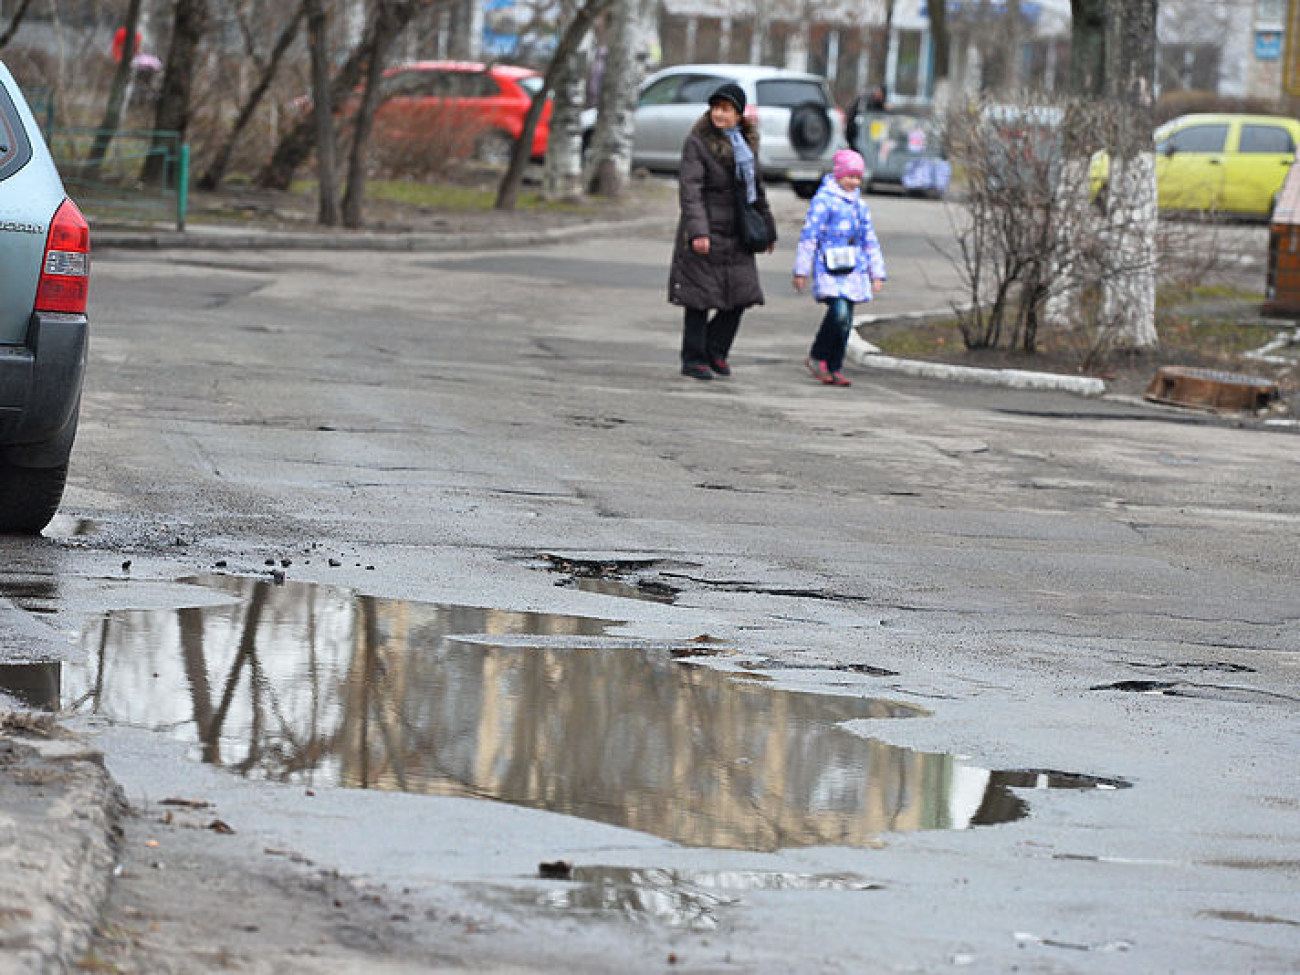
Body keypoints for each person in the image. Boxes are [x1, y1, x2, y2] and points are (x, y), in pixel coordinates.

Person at [668, 81, 777, 380]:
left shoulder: (746, 144)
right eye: (716, 108)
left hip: (739, 230)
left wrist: (768, 229)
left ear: (739, 114)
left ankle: (716, 350)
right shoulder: (698, 142)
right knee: (699, 298)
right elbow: (690, 190)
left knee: (742, 296)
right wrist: (699, 231)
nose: (720, 114)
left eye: (726, 109)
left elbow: (758, 189)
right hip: (706, 229)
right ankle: (693, 358)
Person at [792, 149, 886, 387]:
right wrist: (801, 270)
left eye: (857, 178)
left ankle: (834, 366)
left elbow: (869, 239)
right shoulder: (824, 201)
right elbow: (810, 236)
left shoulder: (859, 206)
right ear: (838, 175)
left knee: (846, 321)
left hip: (853, 267)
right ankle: (818, 355)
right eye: (849, 176)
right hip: (830, 266)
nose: (853, 182)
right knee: (839, 313)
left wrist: (877, 272)